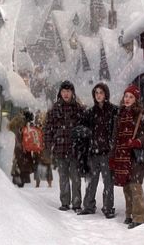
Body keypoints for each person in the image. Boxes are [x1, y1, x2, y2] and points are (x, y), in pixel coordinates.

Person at [109, 84, 144, 229]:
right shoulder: (119, 114)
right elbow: (115, 137)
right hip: (122, 155)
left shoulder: (143, 114)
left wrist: (138, 141)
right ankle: (129, 214)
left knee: (135, 185)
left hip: (136, 154)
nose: (127, 99)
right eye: (126, 96)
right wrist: (112, 156)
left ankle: (140, 217)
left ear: (136, 99)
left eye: (131, 97)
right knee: (127, 186)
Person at [78, 83, 118, 218]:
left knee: (108, 182)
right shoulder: (90, 113)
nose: (98, 95)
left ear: (106, 94)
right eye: (96, 93)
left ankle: (108, 208)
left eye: (101, 92)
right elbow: (83, 130)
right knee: (91, 181)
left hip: (107, 152)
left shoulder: (113, 111)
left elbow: (117, 130)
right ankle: (88, 206)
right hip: (93, 152)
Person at [44, 80, 85, 212]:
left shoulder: (79, 109)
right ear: (60, 93)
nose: (66, 94)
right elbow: (48, 130)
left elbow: (84, 130)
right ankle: (65, 202)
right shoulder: (54, 110)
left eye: (68, 91)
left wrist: (83, 146)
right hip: (60, 149)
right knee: (63, 177)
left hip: (75, 150)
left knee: (76, 178)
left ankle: (77, 203)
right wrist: (47, 146)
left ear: (72, 93)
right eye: (63, 91)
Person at [8, 109, 34, 188]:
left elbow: (11, 127)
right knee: (23, 165)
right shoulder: (26, 126)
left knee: (19, 164)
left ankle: (19, 182)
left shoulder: (19, 124)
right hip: (24, 149)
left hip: (20, 149)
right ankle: (21, 181)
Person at [33, 110, 53, 188]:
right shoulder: (42, 128)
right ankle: (42, 183)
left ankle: (45, 183)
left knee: (44, 165)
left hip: (43, 149)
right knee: (43, 165)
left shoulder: (42, 128)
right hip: (42, 149)